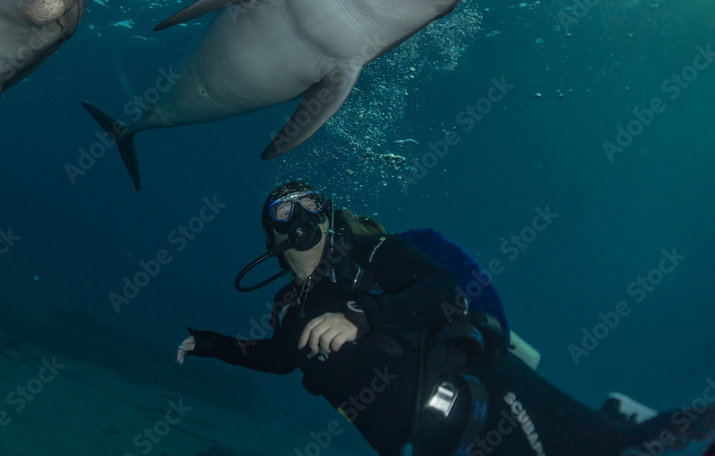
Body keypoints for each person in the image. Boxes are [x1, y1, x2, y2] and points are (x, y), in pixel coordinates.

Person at [176, 180, 715, 455]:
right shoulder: (288, 308)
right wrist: (207, 343)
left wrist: (363, 314)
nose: (298, 215)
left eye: (307, 202)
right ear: (270, 237)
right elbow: (277, 359)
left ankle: (666, 420)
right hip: (430, 439)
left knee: (607, 450)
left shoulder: (373, 253)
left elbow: (441, 289)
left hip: (485, 390)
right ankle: (619, 415)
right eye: (282, 210)